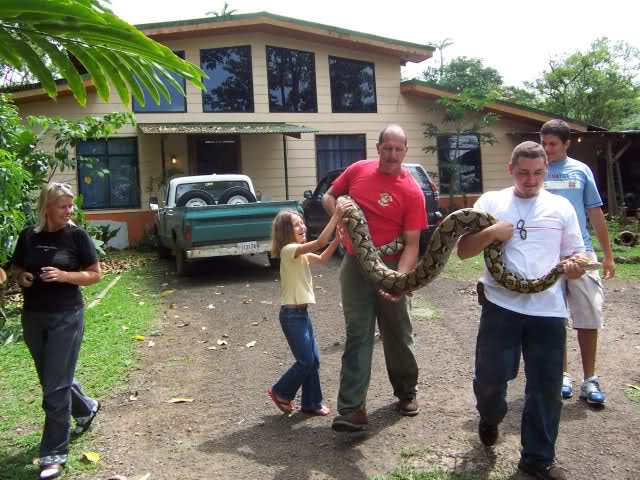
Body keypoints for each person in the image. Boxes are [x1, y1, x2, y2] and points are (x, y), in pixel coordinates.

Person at [457, 141, 586, 480]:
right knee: (491, 379)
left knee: (545, 386)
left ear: (546, 171)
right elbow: (463, 251)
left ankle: (537, 458)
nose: (531, 180)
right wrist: (492, 232)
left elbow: (577, 254)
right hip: (501, 306)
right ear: (511, 169)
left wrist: (575, 266)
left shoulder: (560, 207)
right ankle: (489, 416)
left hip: (548, 311)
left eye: (539, 173)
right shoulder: (491, 203)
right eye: (524, 173)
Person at [322, 124, 427, 432]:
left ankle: (406, 392)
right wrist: (338, 215)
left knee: (397, 332)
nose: (392, 154)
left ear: (405, 151)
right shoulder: (357, 171)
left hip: (392, 263)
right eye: (387, 148)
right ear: (378, 148)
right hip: (355, 264)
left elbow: (412, 244)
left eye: (398, 149)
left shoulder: (412, 192)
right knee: (358, 333)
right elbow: (330, 196)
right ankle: (352, 409)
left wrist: (399, 279)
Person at [11, 183, 102, 480]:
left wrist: (64, 275)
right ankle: (86, 408)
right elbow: (17, 267)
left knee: (54, 388)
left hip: (66, 316)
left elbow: (95, 275)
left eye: (71, 205)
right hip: (33, 318)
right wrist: (22, 277)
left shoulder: (77, 236)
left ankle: (54, 454)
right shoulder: (29, 235)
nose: (69, 211)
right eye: (63, 206)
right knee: (53, 379)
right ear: (47, 207)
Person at [541, 119, 615, 405]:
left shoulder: (581, 171)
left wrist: (607, 255)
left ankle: (590, 379)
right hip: (546, 256)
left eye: (553, 144)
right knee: (554, 316)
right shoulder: (537, 171)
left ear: (566, 143)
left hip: (580, 252)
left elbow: (595, 214)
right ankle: (562, 375)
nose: (547, 150)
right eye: (544, 143)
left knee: (588, 317)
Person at [267, 204, 345, 416]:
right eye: (296, 225)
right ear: (285, 231)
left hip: (301, 314)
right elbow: (319, 242)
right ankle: (280, 391)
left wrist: (337, 241)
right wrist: (336, 215)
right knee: (306, 361)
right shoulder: (289, 250)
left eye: (302, 222)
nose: (302, 226)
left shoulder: (299, 254)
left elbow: (321, 258)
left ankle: (311, 403)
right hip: (291, 316)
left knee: (314, 360)